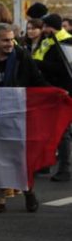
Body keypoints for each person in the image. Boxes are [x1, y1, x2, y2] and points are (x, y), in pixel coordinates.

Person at [0, 22, 47, 212]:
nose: (10, 43)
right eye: (5, 40)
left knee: (20, 157)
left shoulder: (21, 56)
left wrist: (54, 93)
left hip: (17, 115)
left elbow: (37, 80)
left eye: (12, 39)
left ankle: (28, 191)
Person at [34, 13, 72, 181]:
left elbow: (61, 69)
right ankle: (45, 164)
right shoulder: (49, 41)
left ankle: (65, 169)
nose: (43, 30)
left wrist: (37, 64)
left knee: (62, 131)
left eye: (45, 27)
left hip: (62, 92)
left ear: (51, 27)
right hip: (48, 91)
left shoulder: (66, 43)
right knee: (47, 129)